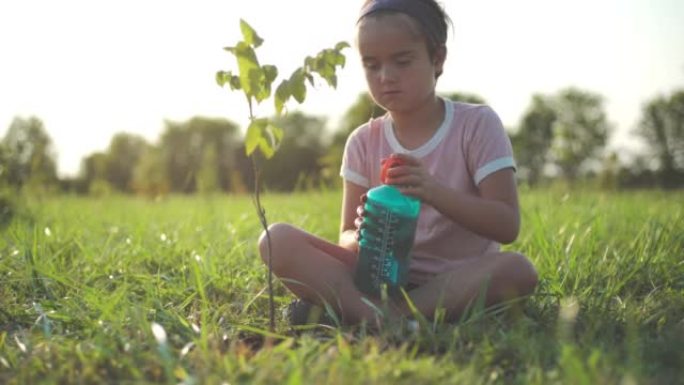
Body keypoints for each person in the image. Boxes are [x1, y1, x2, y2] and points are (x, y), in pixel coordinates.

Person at [258, 0, 538, 326]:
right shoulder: (362, 141)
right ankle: (388, 319)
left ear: (437, 58)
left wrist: (433, 191)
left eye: (402, 61)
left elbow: (506, 225)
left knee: (518, 270)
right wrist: (362, 232)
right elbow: (346, 236)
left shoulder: (476, 124)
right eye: (371, 65)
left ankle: (373, 317)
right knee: (276, 240)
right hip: (376, 282)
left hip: (457, 281)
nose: (387, 77)